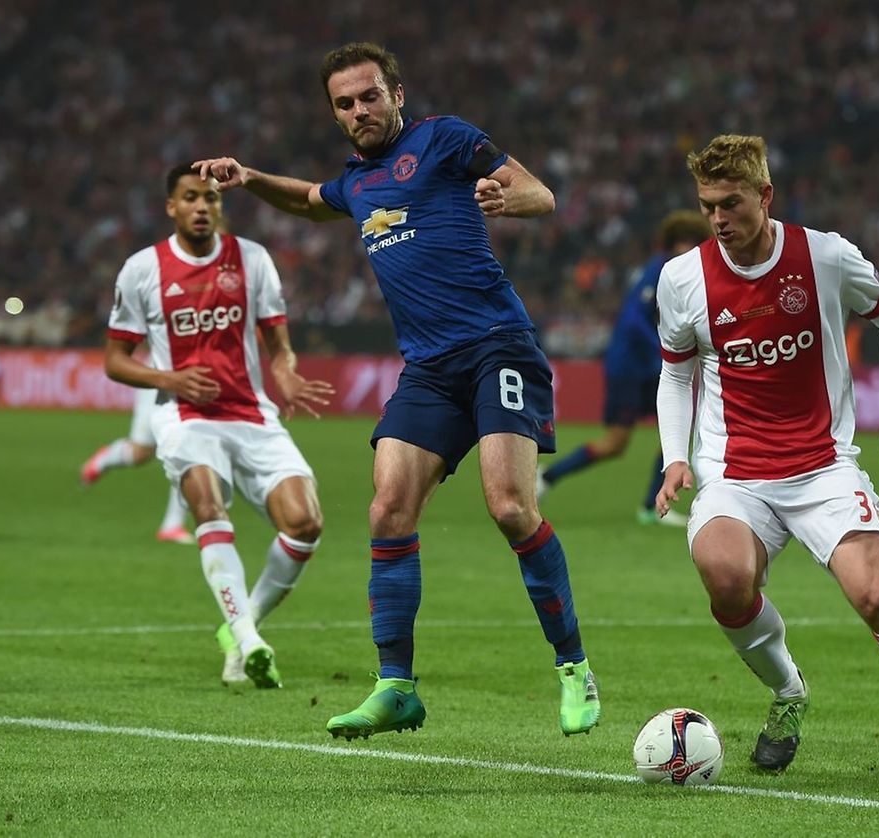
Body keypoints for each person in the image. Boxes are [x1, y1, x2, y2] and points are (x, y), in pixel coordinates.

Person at [193, 42, 600, 740]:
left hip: (498, 345)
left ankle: (573, 669)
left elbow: (540, 192)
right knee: (387, 508)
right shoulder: (356, 183)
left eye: (368, 96)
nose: (358, 110)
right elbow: (312, 202)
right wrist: (250, 176)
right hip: (429, 371)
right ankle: (396, 687)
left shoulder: (445, 139)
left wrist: (508, 199)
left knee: (508, 506)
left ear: (396, 94)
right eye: (344, 104)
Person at [654, 134, 879, 785]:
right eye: (708, 204)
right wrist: (674, 459)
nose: (718, 218)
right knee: (723, 573)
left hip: (825, 470)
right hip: (736, 476)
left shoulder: (824, 255)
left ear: (765, 195)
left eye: (731, 203)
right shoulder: (682, 278)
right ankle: (789, 690)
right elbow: (675, 373)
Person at [104, 163, 334, 690]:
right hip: (185, 417)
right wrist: (172, 378)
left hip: (251, 414)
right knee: (207, 503)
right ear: (172, 207)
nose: (202, 206)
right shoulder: (143, 269)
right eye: (190, 198)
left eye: (210, 197)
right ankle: (249, 641)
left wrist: (288, 376)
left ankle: (239, 627)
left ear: (220, 205)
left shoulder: (252, 260)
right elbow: (115, 360)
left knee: (306, 523)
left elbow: (278, 344)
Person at [536, 211, 712, 528]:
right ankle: (547, 476)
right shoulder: (659, 270)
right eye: (683, 242)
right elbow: (633, 320)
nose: (688, 249)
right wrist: (665, 352)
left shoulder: (681, 271)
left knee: (675, 430)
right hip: (629, 366)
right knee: (616, 444)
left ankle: (651, 507)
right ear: (673, 243)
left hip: (647, 366)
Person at [80, 385, 194, 545]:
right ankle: (104, 459)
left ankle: (172, 526)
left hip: (190, 388)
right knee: (140, 453)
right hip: (156, 383)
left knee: (189, 452)